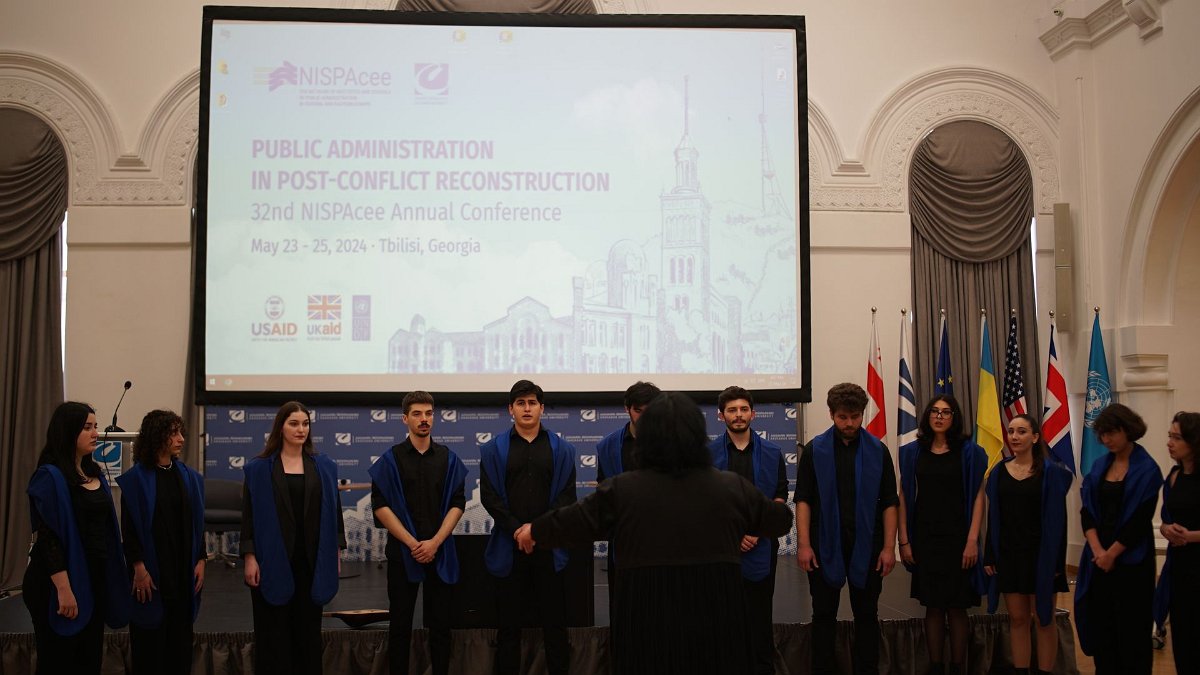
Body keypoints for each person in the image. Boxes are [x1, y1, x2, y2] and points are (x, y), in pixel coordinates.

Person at [515, 392, 794, 675]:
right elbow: (780, 521)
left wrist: (535, 530)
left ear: (647, 438)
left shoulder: (622, 490)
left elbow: (575, 522)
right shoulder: (731, 487)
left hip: (645, 627)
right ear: (698, 436)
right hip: (715, 628)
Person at [795, 383, 899, 675]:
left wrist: (889, 548)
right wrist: (804, 544)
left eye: (855, 416)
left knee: (867, 614)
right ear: (831, 414)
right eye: (843, 417)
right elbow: (803, 500)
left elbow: (890, 502)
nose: (850, 423)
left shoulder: (878, 451)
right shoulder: (815, 450)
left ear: (862, 414)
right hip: (823, 544)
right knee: (823, 614)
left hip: (869, 545)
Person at [23, 401, 129, 675]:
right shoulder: (49, 477)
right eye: (87, 427)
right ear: (67, 431)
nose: (95, 433)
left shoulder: (95, 474)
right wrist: (64, 589)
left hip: (92, 581)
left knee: (88, 661)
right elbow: (48, 540)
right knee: (58, 662)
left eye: (95, 426)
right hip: (57, 583)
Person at [240, 401, 346, 675]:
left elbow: (334, 513)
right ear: (281, 427)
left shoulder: (324, 466)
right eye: (294, 423)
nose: (301, 429)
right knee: (273, 636)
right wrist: (250, 556)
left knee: (308, 635)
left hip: (311, 562)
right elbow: (249, 516)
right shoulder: (258, 469)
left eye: (305, 424)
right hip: (271, 561)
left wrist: (335, 554)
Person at [479, 380, 577, 675]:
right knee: (508, 627)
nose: (526, 408)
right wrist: (518, 530)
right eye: (520, 403)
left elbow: (566, 497)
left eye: (532, 403)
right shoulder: (493, 450)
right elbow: (490, 498)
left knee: (555, 626)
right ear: (510, 409)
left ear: (541, 408)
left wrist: (536, 530)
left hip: (548, 546)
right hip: (509, 546)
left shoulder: (563, 450)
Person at [369, 391, 467, 675]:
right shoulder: (390, 460)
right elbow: (380, 506)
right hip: (403, 553)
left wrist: (434, 542)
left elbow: (458, 503)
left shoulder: (448, 459)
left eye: (428, 413)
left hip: (440, 552)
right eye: (417, 414)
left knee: (441, 627)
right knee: (400, 626)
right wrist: (414, 544)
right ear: (405, 419)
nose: (424, 419)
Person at [898, 394, 987, 675]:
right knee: (933, 607)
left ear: (954, 417)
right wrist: (904, 540)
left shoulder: (970, 453)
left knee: (958, 607)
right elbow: (904, 496)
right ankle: (936, 667)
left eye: (946, 412)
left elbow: (979, 497)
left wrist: (972, 540)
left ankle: (958, 667)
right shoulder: (912, 452)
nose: (939, 416)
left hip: (959, 539)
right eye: (934, 411)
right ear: (927, 416)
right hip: (925, 539)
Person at [1074, 403, 1162, 675]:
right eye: (1102, 434)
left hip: (1132, 561)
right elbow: (1087, 512)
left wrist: (1111, 554)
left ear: (1128, 430)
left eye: (1111, 433)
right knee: (1104, 631)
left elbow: (1139, 521)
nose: (1106, 439)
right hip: (1099, 560)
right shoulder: (1100, 466)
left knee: (1132, 634)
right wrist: (1098, 551)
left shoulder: (1147, 469)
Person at [116, 409, 206, 675]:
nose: (181, 439)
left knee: (180, 645)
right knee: (150, 647)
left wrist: (201, 559)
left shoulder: (189, 476)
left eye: (181, 432)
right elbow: (129, 529)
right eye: (173, 433)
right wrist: (138, 567)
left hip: (182, 570)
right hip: (151, 573)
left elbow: (197, 522)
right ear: (157, 436)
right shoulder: (135, 479)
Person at [707, 385, 788, 675]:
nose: (738, 415)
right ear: (721, 416)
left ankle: (762, 668)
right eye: (732, 410)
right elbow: (703, 501)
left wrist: (756, 530)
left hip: (761, 544)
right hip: (721, 547)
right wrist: (733, 534)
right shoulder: (706, 455)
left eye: (743, 409)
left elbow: (779, 496)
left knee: (759, 615)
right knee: (722, 615)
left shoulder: (773, 452)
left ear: (753, 413)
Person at [982, 414, 1072, 675]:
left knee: (1044, 619)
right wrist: (990, 554)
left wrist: (1057, 563)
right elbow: (994, 517)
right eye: (1011, 431)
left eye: (1021, 432)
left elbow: (1059, 522)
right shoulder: (998, 472)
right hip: (1009, 555)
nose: (1014, 437)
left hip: (1042, 556)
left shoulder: (1051, 473)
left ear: (1035, 437)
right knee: (1018, 619)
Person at [594, 380, 659, 615]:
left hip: (664, 540)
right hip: (623, 541)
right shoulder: (608, 446)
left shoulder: (675, 444)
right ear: (627, 409)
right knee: (623, 609)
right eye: (638, 410)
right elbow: (604, 491)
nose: (644, 417)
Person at [1154, 411, 1200, 674]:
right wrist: (1166, 529)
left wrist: (1190, 536)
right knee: (1183, 641)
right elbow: (1165, 519)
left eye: (1177, 437)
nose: (1169, 442)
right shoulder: (1173, 475)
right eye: (1169, 436)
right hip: (1180, 569)